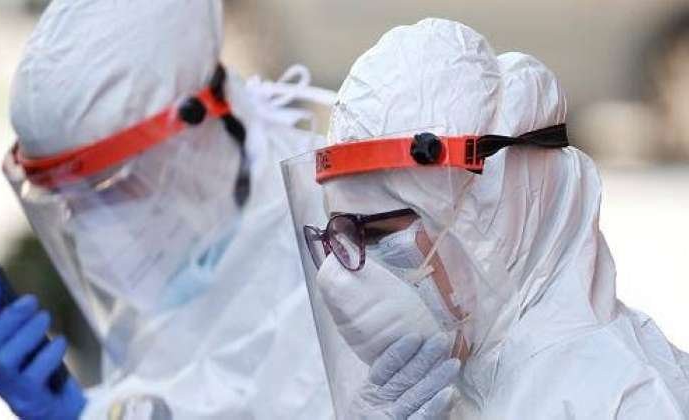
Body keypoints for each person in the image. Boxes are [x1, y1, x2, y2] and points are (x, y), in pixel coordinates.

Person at [282, 18, 689, 418]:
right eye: (339, 235)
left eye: (376, 234)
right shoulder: (462, 389)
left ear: (488, 220)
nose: (340, 277)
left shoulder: (625, 401)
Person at [0, 0, 336, 418]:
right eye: (68, 202)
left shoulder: (329, 241)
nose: (88, 230)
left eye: (108, 188)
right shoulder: (183, 256)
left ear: (196, 131)